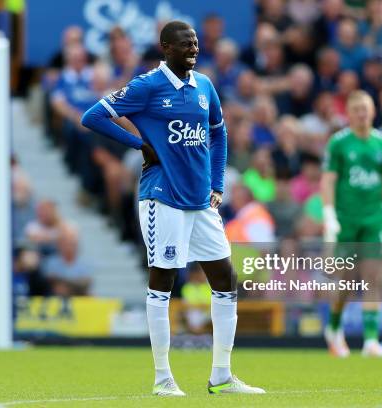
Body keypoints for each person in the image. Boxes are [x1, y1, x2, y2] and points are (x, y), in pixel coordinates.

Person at [82, 20, 265, 396]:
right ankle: (163, 377)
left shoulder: (205, 86)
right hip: (162, 196)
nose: (193, 49)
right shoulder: (148, 85)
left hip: (201, 201)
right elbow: (93, 116)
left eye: (196, 43)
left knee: (226, 281)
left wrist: (217, 184)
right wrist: (138, 144)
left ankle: (222, 375)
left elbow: (218, 133)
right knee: (163, 280)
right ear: (166, 47)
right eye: (185, 44)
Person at [321, 90, 382, 358]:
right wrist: (328, 214)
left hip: (373, 220)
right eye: (356, 109)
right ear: (348, 113)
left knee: (373, 277)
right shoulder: (338, 143)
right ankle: (334, 328)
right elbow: (329, 180)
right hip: (346, 222)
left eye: (366, 108)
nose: (362, 113)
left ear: (373, 111)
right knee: (345, 282)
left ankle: (371, 341)